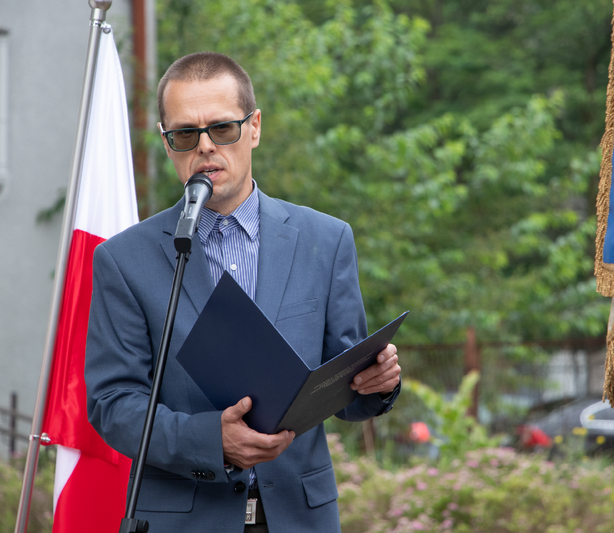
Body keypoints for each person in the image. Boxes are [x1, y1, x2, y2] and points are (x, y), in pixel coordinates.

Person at [84, 51, 401, 532]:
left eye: (223, 129)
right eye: (186, 134)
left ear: (254, 127)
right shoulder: (124, 260)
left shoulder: (327, 239)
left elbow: (348, 392)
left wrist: (378, 385)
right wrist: (210, 439)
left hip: (298, 518)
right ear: (167, 143)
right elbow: (113, 403)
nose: (205, 147)